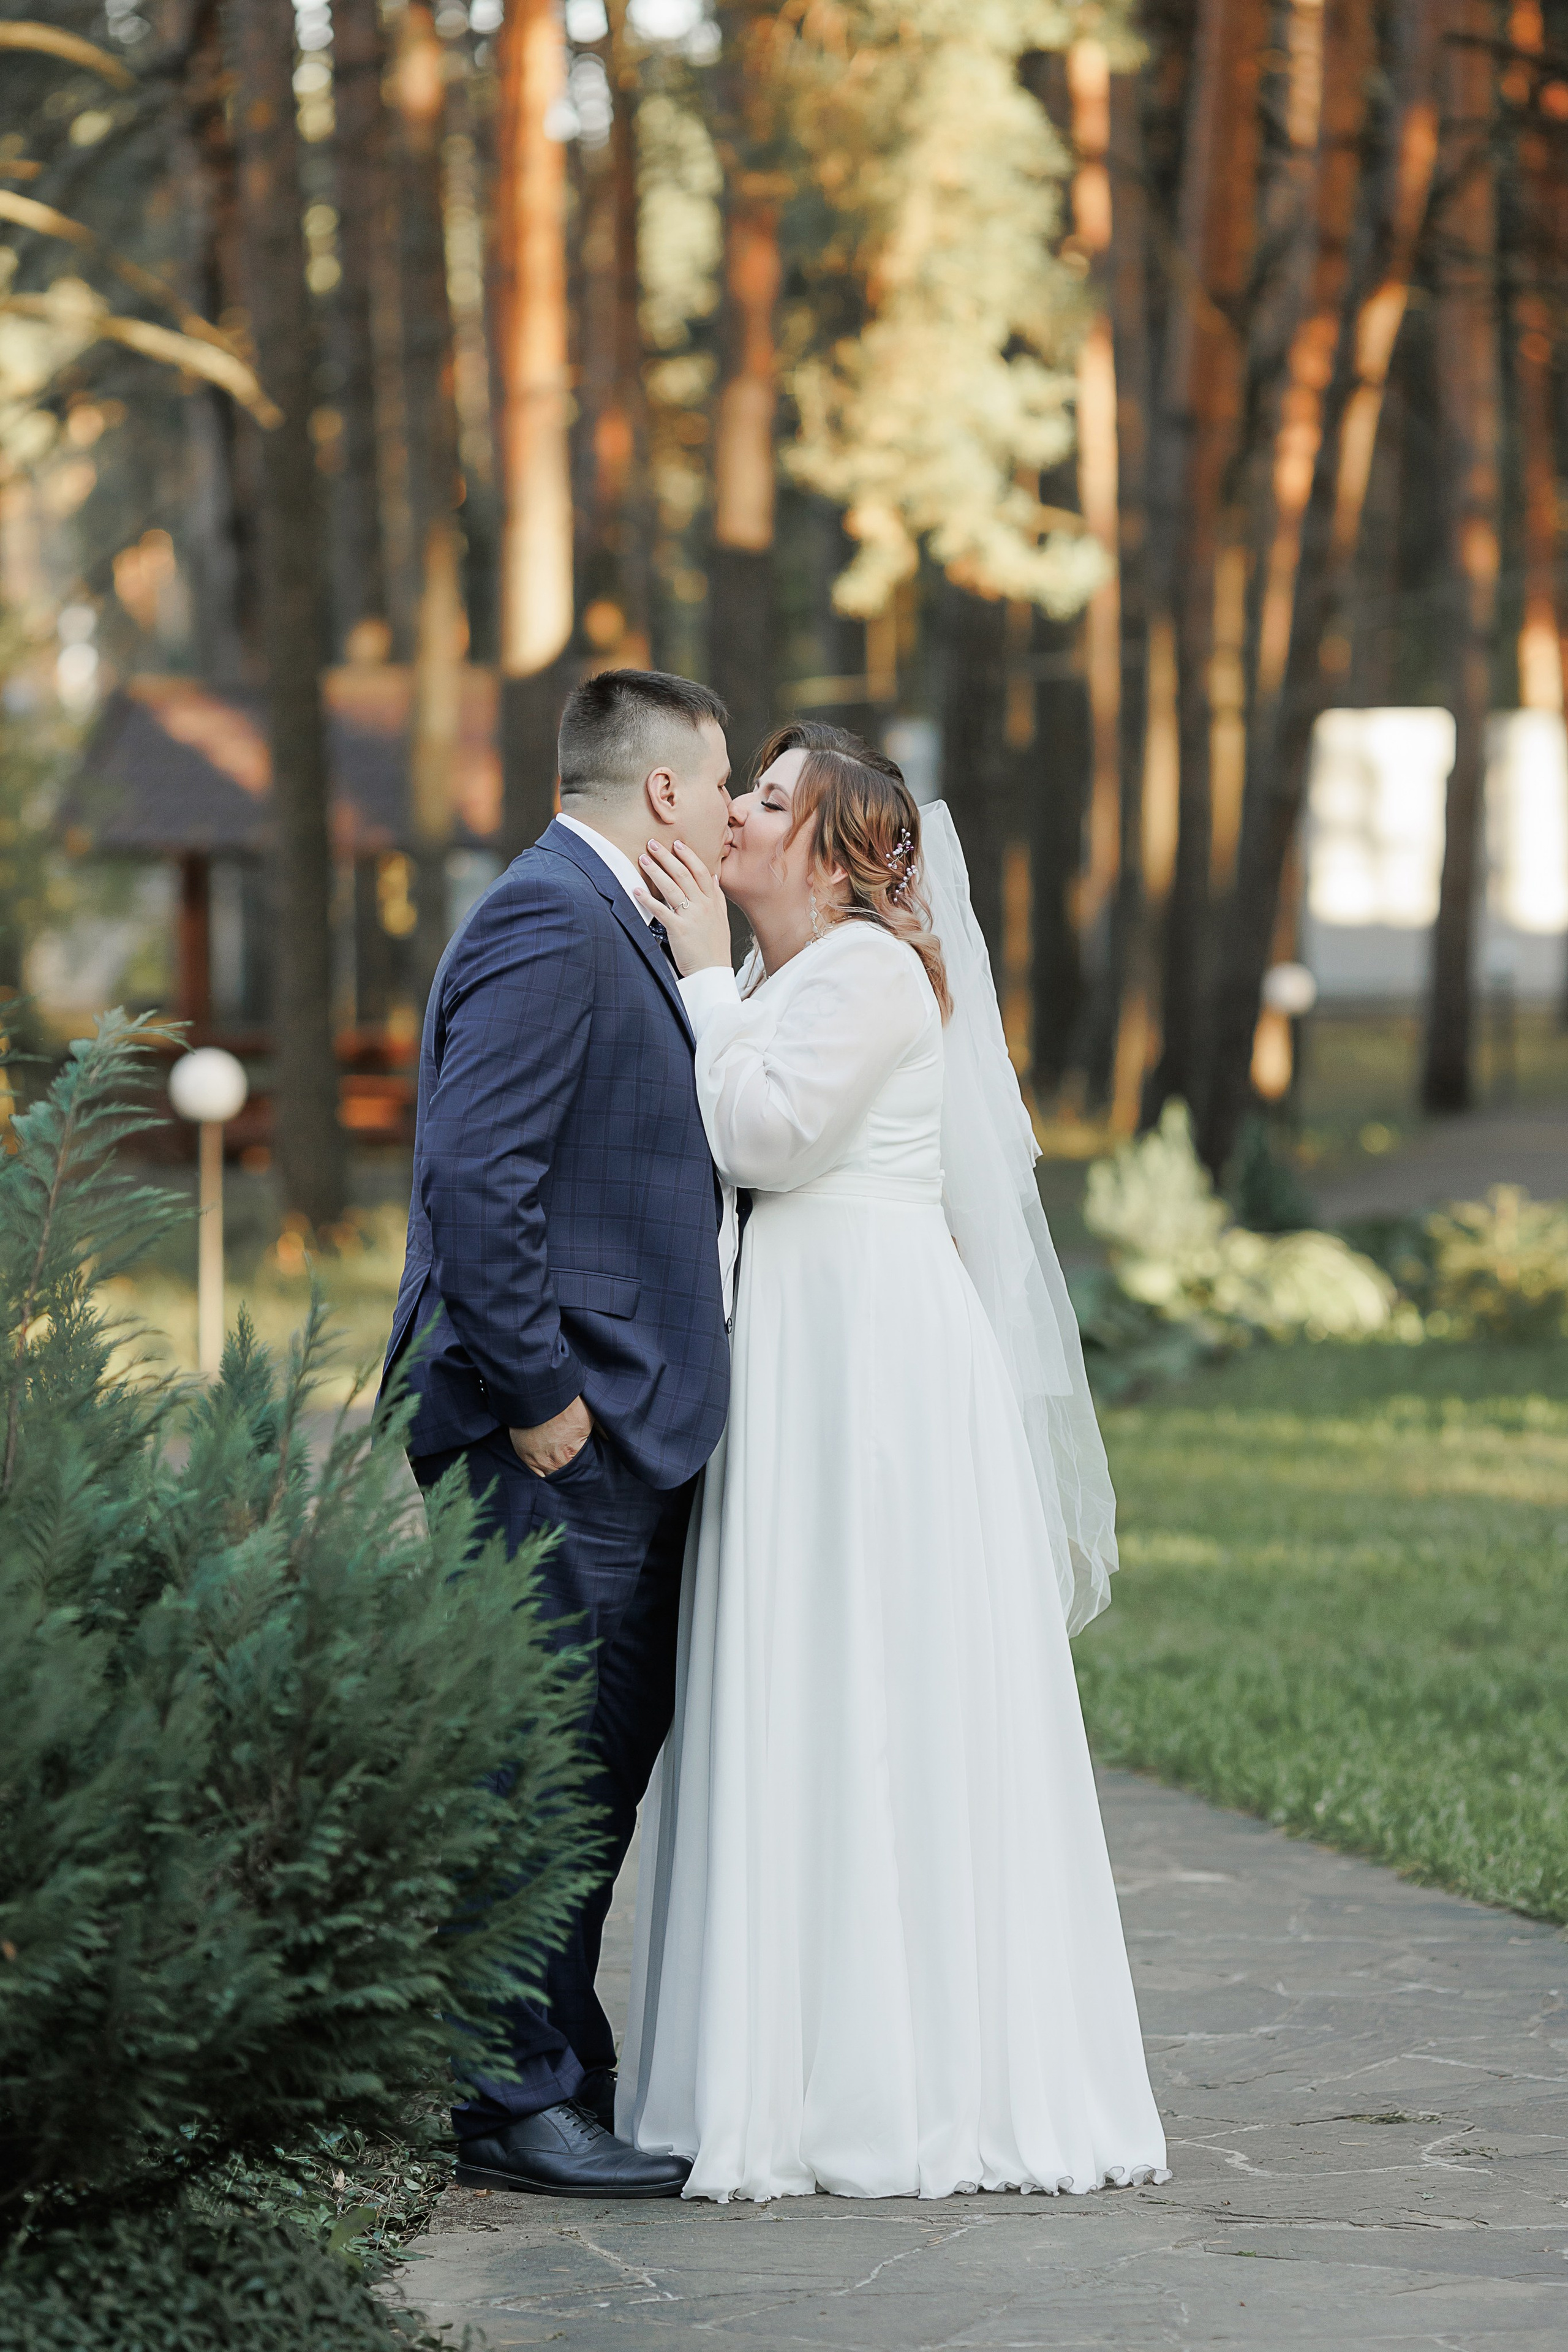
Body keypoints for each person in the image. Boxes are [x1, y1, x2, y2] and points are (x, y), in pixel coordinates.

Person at [621, 722, 1169, 2203]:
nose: (734, 809)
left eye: (769, 797)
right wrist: (717, 982)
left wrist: (690, 975)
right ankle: (804, 2060)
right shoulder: (794, 976)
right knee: (812, 1683)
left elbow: (765, 1135)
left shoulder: (866, 968)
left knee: (872, 1681)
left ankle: (897, 2084)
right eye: (746, 788)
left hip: (869, 1373)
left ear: (834, 848)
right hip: (809, 1349)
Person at [383, 669, 737, 2199]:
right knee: (535, 1768)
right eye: (722, 788)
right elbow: (476, 1178)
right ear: (663, 791)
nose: (730, 818)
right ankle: (506, 2104)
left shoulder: (609, 920)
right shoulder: (546, 920)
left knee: (590, 1768)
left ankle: (555, 2070)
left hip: (613, 1429)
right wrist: (539, 1404)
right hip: (554, 1432)